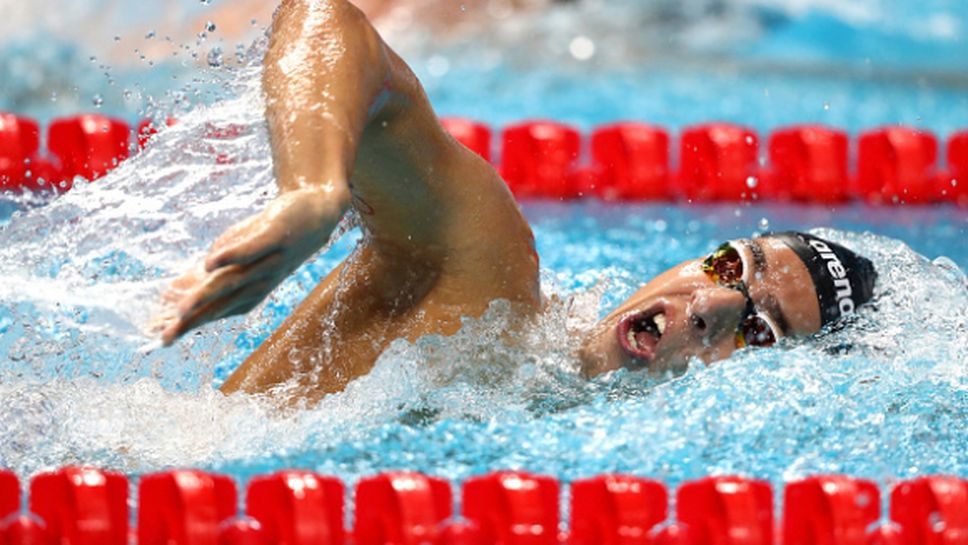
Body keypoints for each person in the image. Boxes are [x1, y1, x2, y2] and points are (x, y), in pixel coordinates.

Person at [156, 0, 876, 404]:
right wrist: (312, 192)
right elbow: (327, 21)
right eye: (727, 264)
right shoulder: (490, 288)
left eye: (758, 332)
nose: (713, 304)